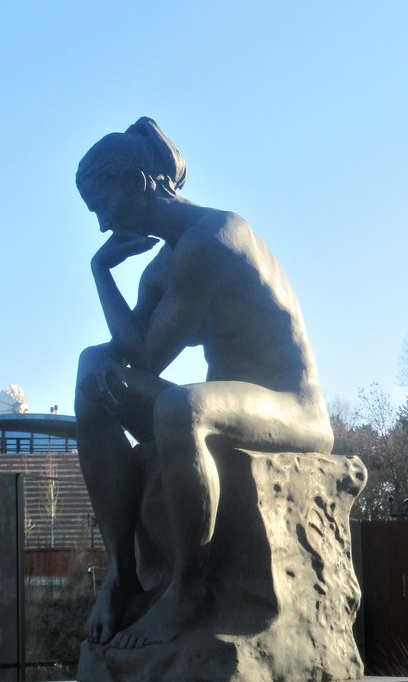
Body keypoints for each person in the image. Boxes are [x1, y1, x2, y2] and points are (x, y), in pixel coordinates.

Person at [74, 118, 333, 649]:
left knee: (180, 407)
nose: (103, 225)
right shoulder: (165, 265)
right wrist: (100, 271)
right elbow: (126, 354)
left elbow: (148, 356)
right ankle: (122, 574)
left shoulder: (215, 239)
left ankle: (188, 592)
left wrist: (110, 307)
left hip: (294, 409)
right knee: (90, 371)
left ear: (135, 180)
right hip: (233, 405)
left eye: (103, 206)